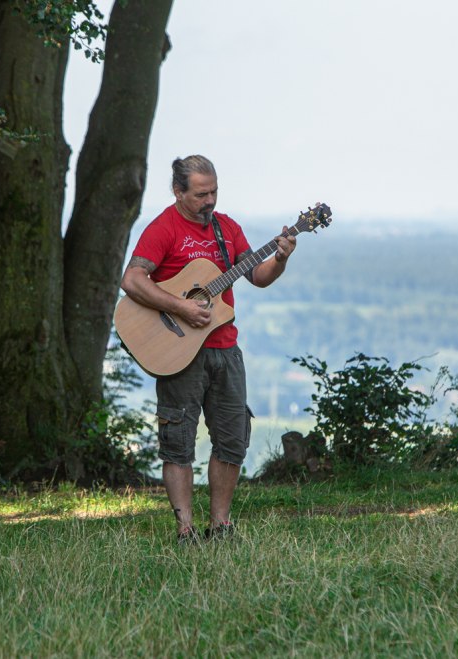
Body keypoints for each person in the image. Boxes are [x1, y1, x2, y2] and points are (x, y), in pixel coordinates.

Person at [120, 155, 297, 544]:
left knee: (232, 438)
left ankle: (220, 526)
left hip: (225, 348)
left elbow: (257, 276)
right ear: (178, 191)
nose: (210, 200)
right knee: (179, 441)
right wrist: (181, 306)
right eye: (201, 194)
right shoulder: (164, 227)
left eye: (214, 191)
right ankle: (185, 530)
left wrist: (280, 258)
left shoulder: (227, 228)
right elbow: (132, 280)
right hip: (177, 351)